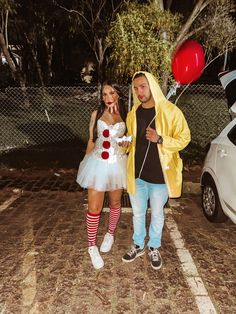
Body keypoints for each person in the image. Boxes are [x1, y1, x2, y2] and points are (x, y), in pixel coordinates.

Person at [121, 71, 191, 270]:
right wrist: (125, 143)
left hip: (160, 176)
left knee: (158, 214)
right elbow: (131, 140)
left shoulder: (170, 111)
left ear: (152, 85)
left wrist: (160, 139)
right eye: (136, 88)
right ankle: (138, 244)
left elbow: (184, 138)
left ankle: (153, 246)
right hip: (138, 174)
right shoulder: (133, 113)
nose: (139, 92)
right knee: (138, 213)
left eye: (143, 86)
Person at [76, 81, 127, 270]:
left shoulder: (127, 116)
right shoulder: (95, 114)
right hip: (97, 164)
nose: (107, 98)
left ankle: (110, 233)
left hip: (118, 164)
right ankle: (91, 246)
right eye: (104, 94)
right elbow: (91, 140)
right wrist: (84, 163)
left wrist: (127, 144)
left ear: (118, 94)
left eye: (111, 93)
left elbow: (129, 142)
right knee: (94, 208)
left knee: (115, 203)